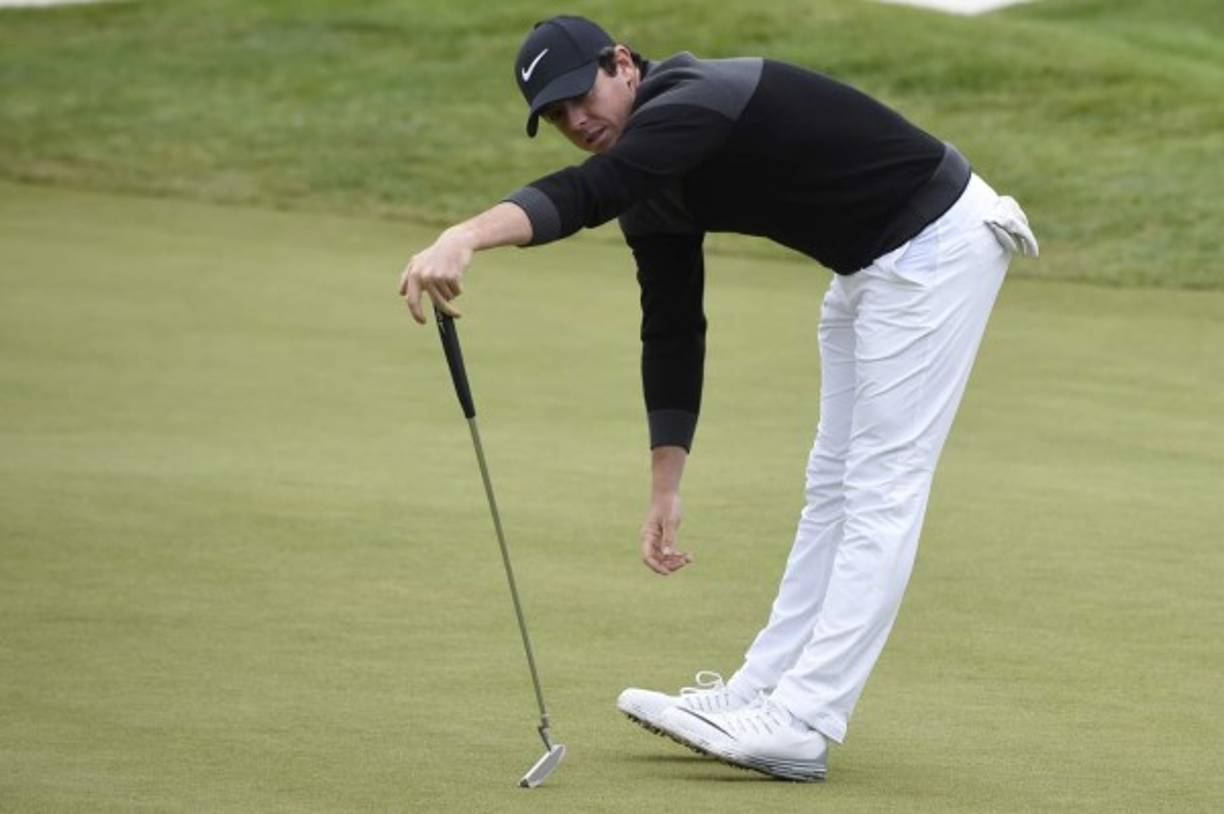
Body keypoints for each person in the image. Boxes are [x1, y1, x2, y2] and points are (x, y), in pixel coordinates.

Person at [399, 15, 1037, 782]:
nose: (577, 121)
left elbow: (591, 192)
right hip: (872, 267)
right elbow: (672, 327)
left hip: (937, 247)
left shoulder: (693, 100)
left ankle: (804, 720)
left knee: (880, 488)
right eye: (557, 116)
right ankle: (761, 691)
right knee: (831, 486)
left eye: (581, 96)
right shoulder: (648, 177)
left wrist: (467, 234)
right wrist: (665, 485)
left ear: (623, 63)